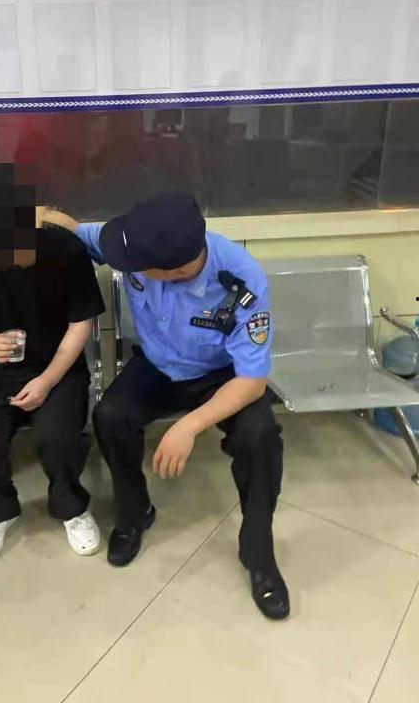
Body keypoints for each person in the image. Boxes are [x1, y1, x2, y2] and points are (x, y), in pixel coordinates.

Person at [43, 193, 289, 619]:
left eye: (133, 265)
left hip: (221, 376)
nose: (123, 264)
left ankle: (259, 554)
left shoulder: (242, 279)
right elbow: (70, 229)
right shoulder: (135, 241)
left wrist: (188, 426)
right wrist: (15, 211)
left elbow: (252, 382)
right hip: (157, 366)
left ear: (175, 269)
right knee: (110, 416)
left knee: (261, 437)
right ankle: (134, 515)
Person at [0, 164, 105, 566]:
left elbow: (81, 323)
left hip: (59, 366)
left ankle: (72, 509)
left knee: (58, 438)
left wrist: (47, 380)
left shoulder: (64, 250)